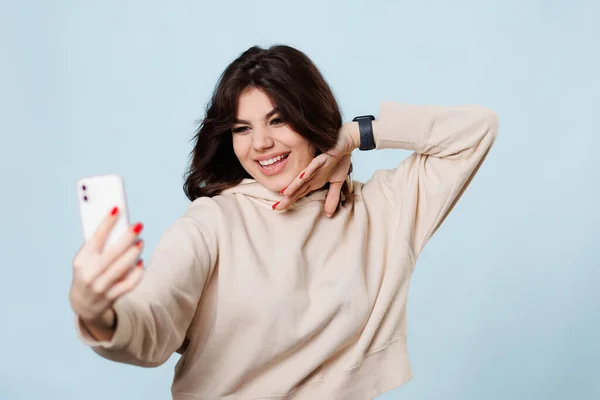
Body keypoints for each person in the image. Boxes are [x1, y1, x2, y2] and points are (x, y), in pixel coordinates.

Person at [69, 44, 498, 399]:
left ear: (312, 116)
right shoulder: (213, 222)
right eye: (242, 128)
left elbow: (477, 130)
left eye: (278, 120)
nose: (261, 143)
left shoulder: (381, 209)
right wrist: (99, 314)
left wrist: (354, 136)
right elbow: (153, 324)